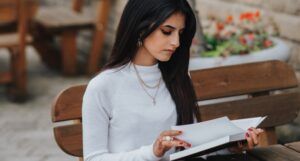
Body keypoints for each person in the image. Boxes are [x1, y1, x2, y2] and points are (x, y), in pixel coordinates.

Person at [82, 0, 264, 161]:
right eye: (167, 31)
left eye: (180, 33)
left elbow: (191, 149)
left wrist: (231, 146)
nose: (176, 42)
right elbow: (94, 158)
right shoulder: (102, 86)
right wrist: (153, 153)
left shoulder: (178, 77)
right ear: (140, 28)